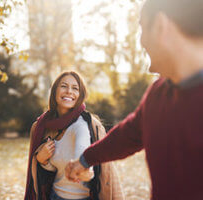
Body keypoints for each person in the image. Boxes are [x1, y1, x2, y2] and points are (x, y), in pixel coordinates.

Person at [65, 0, 203, 200]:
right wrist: (85, 160)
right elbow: (129, 134)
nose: (141, 41)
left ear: (160, 26)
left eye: (142, 28)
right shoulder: (159, 94)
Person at [24, 71, 124, 200]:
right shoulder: (43, 127)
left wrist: (83, 169)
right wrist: (41, 160)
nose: (69, 91)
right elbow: (54, 169)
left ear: (80, 95)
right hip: (54, 196)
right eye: (64, 86)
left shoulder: (85, 125)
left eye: (75, 88)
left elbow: (84, 154)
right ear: (55, 91)